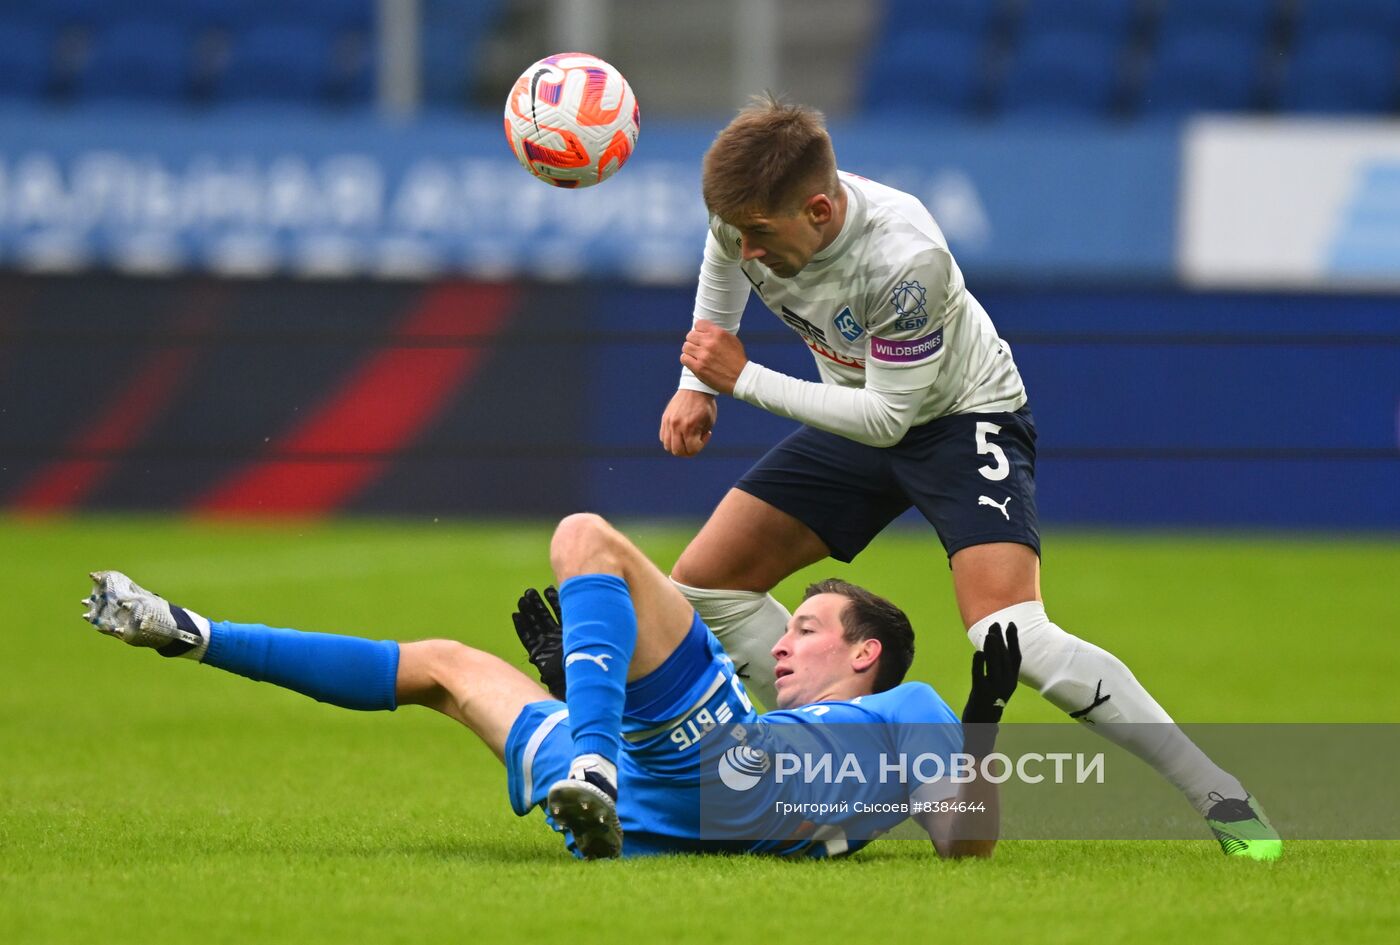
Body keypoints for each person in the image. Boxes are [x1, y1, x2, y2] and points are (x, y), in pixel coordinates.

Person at [654, 94, 1280, 860]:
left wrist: (741, 377)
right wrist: (698, 385)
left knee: (1012, 635)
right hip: (858, 407)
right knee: (707, 584)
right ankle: (842, 758)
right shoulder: (746, 216)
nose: (745, 249)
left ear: (818, 211)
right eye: (735, 231)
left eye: (759, 235)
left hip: (960, 418)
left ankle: (1215, 789)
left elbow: (889, 419)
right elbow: (722, 265)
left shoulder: (904, 259)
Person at [77, 512, 1020, 860]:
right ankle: (193, 633)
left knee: (584, 539)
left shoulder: (908, 710)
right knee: (444, 665)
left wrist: (982, 718)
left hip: (724, 770)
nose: (782, 644)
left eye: (807, 629)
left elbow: (965, 840)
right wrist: (589, 683)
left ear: (865, 655)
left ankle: (592, 763)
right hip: (661, 799)